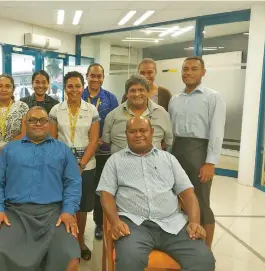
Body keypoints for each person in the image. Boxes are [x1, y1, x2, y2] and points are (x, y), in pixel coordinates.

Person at [97, 116, 215, 271]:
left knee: (204, 261)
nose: (138, 135)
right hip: (133, 225)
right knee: (128, 260)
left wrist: (195, 222)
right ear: (126, 135)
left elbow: (188, 194)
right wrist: (114, 222)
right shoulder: (115, 161)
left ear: (152, 133)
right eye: (132, 131)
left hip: (172, 224)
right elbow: (106, 195)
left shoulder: (169, 159)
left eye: (143, 130)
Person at [0, 106, 81, 271]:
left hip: (53, 214)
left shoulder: (63, 150)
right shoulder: (10, 149)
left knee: (71, 256)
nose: (38, 124)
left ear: (49, 124)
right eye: (32, 120)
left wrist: (68, 210)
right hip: (14, 214)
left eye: (42, 120)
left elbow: (73, 183)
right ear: (24, 124)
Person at [168, 56, 226, 249]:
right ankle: (186, 245)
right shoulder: (175, 99)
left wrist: (210, 162)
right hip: (177, 151)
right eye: (185, 69)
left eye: (194, 69)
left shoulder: (213, 97)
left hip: (199, 152)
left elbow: (217, 132)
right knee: (179, 200)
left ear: (203, 72)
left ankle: (206, 250)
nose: (189, 73)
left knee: (201, 200)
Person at [49, 71, 100, 260]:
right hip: (61, 164)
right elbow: (52, 139)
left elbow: (94, 140)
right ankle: (63, 241)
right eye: (70, 86)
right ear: (65, 88)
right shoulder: (56, 110)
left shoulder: (91, 110)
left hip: (86, 164)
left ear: (83, 86)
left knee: (82, 205)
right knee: (62, 203)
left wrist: (81, 164)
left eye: (77, 86)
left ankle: (79, 242)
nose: (74, 90)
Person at [81, 63, 119, 240]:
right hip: (81, 152)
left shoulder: (110, 99)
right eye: (92, 76)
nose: (95, 79)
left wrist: (104, 138)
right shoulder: (78, 94)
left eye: (99, 76)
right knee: (82, 187)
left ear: (103, 77)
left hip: (104, 151)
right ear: (86, 76)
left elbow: (116, 123)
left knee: (101, 188)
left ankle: (99, 223)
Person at [103, 74, 173, 155]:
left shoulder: (162, 114)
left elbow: (167, 142)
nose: (137, 94)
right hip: (121, 165)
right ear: (126, 94)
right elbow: (106, 141)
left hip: (153, 165)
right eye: (132, 90)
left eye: (141, 90)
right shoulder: (113, 115)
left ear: (147, 92)